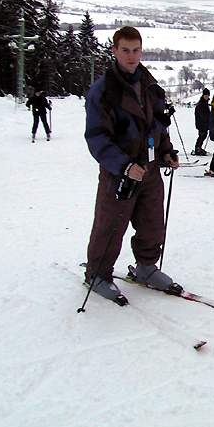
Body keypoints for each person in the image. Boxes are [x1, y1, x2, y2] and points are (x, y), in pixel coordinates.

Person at [84, 26, 180, 303]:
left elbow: (158, 124)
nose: (131, 56)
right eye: (125, 50)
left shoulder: (150, 85)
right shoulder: (103, 91)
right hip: (120, 173)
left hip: (149, 169)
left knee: (152, 222)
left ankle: (146, 267)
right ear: (114, 51)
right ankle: (97, 274)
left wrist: (166, 151)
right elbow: (97, 137)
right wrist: (124, 166)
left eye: (136, 50)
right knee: (111, 225)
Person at [192, 88, 210, 156]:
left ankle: (199, 147)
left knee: (203, 135)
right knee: (202, 136)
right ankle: (198, 148)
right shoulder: (201, 104)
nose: (207, 96)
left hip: (204, 123)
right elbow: (202, 115)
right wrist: (208, 119)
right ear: (203, 95)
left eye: (208, 95)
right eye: (205, 95)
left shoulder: (205, 102)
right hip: (201, 123)